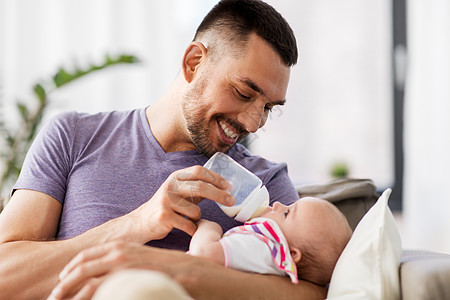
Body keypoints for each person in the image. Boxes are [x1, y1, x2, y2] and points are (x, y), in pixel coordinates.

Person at [0, 0, 327, 299]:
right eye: (244, 94)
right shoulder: (73, 137)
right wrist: (135, 225)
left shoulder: (266, 186)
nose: (255, 123)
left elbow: (316, 292)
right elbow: (6, 276)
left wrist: (183, 271)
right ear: (193, 62)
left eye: (269, 107)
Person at [189, 197, 353, 286]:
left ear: (292, 254)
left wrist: (208, 227)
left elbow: (203, 254)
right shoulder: (270, 260)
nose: (277, 204)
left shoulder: (264, 247)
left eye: (287, 213)